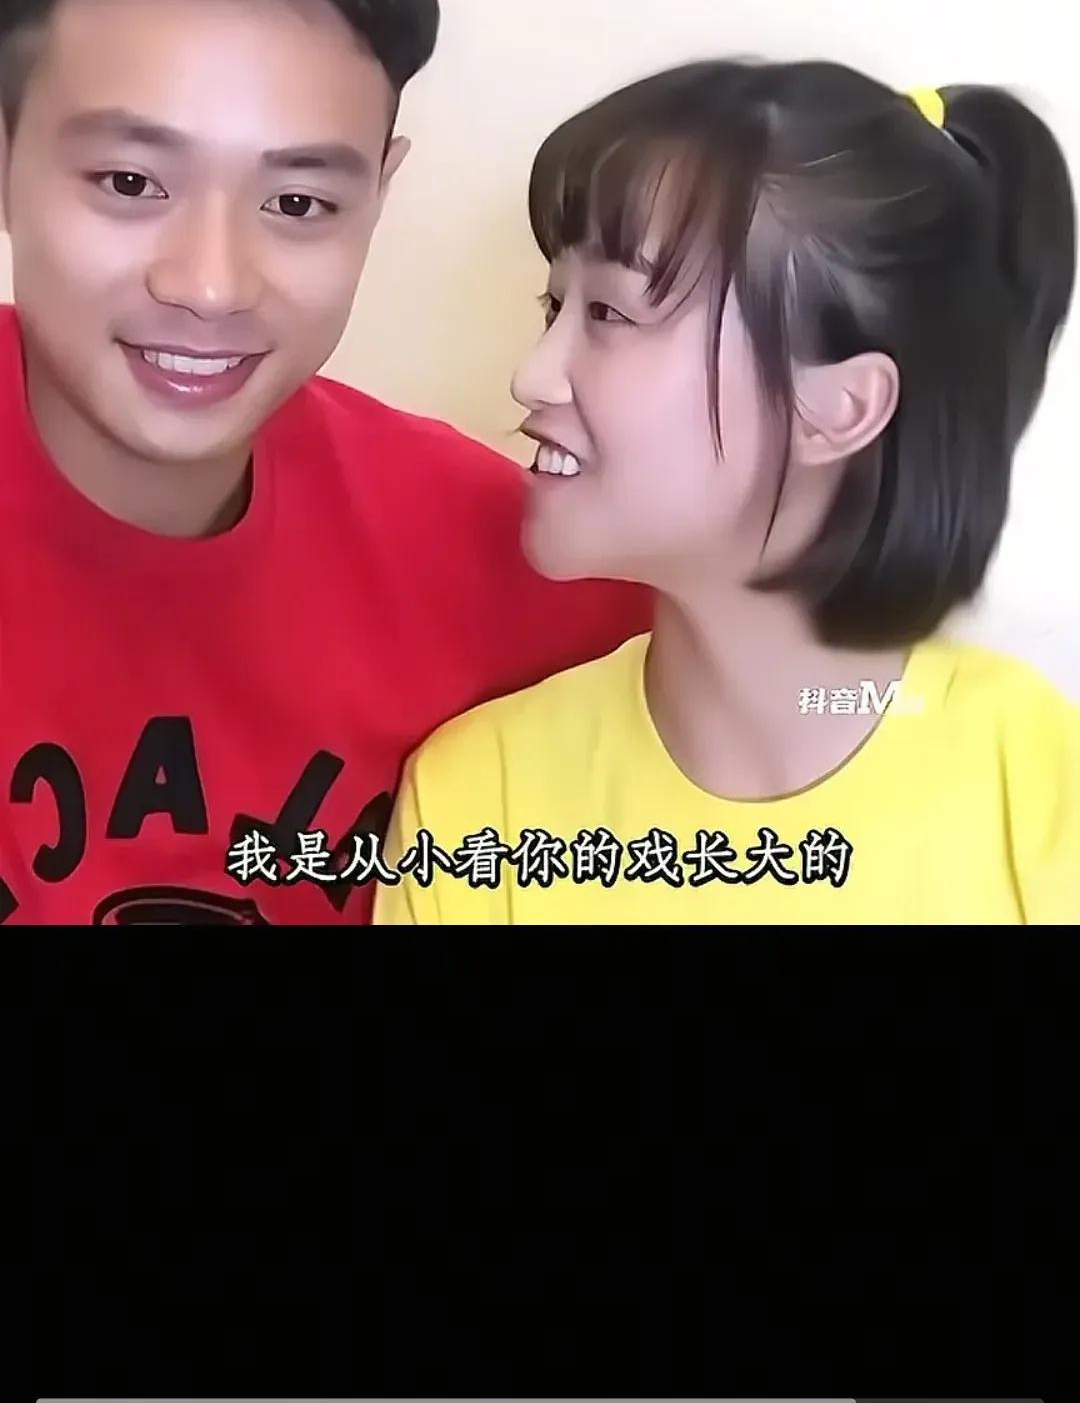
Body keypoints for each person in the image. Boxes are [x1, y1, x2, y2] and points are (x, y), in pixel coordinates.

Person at [0, 0, 650, 925]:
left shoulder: (516, 565)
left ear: (379, 193)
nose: (210, 285)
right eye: (130, 181)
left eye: (297, 204)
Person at [377, 59, 1080, 925]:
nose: (532, 377)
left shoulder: (1042, 787)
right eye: (554, 308)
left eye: (609, 314)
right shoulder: (480, 804)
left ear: (838, 408)